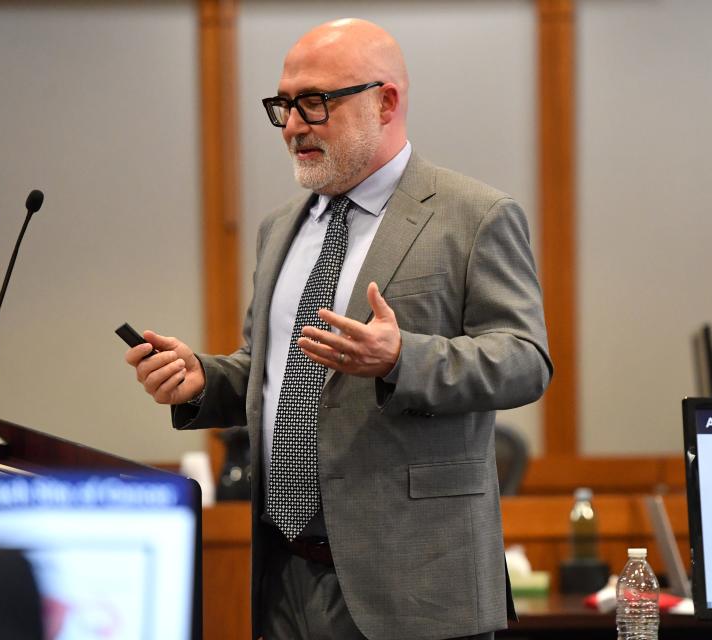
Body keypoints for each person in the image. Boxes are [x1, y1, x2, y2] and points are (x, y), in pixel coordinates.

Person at [125, 18, 551, 640]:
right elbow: (278, 369)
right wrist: (204, 379)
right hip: (283, 578)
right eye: (283, 106)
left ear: (386, 102)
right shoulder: (281, 230)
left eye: (315, 103)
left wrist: (402, 357)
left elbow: (524, 358)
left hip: (415, 588)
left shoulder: (474, 216)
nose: (293, 125)